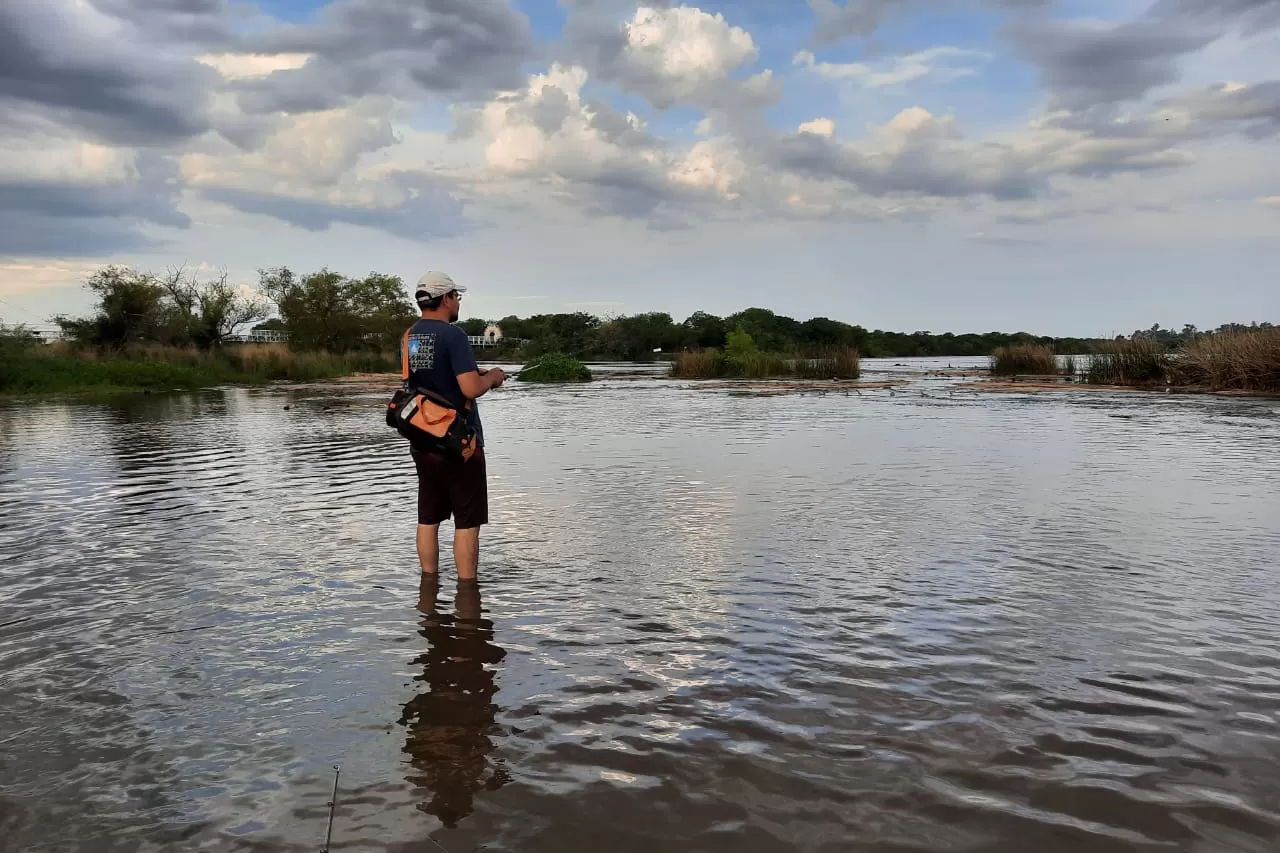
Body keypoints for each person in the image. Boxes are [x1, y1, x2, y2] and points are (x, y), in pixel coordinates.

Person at [404, 271, 506, 579]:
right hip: (459, 443)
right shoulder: (454, 335)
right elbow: (471, 389)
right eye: (456, 296)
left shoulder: (410, 335)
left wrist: (475, 373)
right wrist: (493, 377)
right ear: (446, 298)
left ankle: (428, 588)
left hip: (422, 439)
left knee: (428, 517)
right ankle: (467, 593)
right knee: (466, 521)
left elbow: (424, 378)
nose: (458, 301)